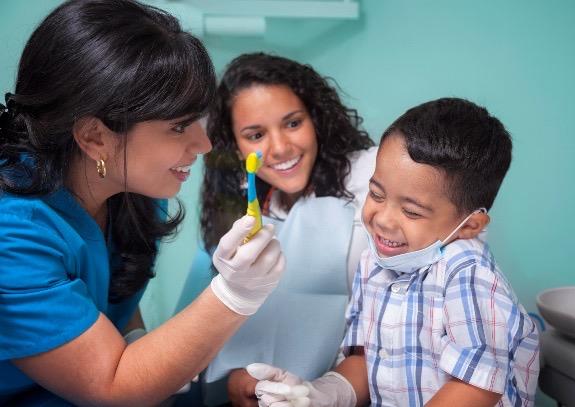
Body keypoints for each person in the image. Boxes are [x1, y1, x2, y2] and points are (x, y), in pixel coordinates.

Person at [0, 1, 285, 406]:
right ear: (95, 137)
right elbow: (113, 388)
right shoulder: (12, 235)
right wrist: (234, 295)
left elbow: (110, 295)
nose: (203, 144)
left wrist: (140, 342)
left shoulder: (132, 192)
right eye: (179, 127)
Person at [249, 98, 540, 407]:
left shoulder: (468, 275)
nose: (383, 220)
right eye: (376, 194)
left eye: (412, 212)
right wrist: (322, 394)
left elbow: (475, 388)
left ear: (470, 225)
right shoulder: (374, 261)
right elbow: (366, 360)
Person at [191, 52, 377, 405]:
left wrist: (327, 394)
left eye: (292, 123)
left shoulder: (373, 179)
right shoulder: (256, 207)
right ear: (235, 147)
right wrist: (240, 377)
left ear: (316, 119)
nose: (279, 148)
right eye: (256, 134)